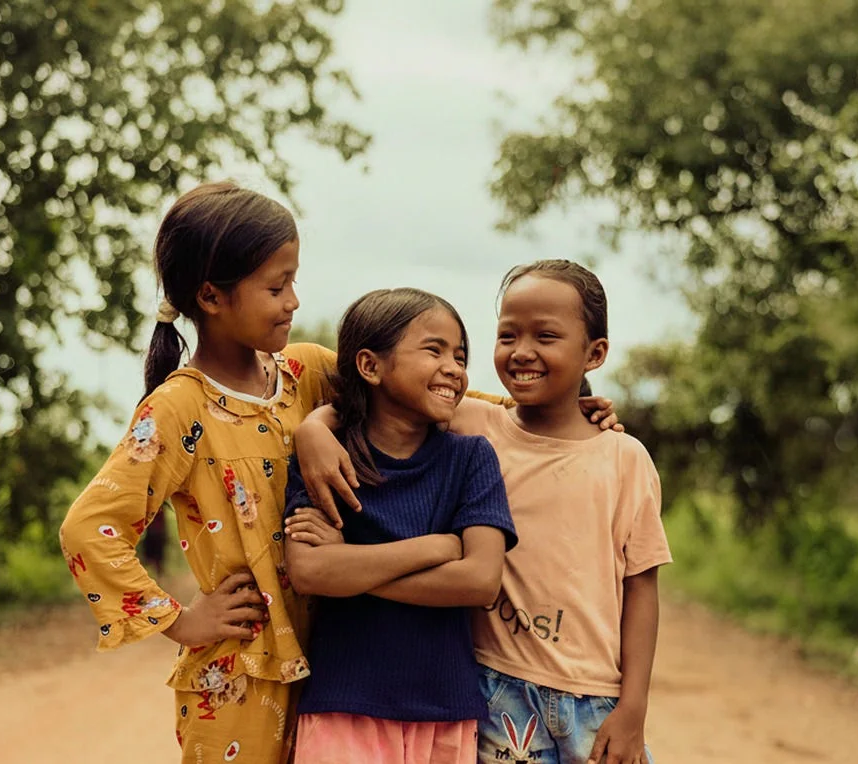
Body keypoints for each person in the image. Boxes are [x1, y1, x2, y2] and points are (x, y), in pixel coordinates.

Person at [295, 260, 670, 764]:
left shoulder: (625, 458)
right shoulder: (473, 423)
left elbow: (641, 586)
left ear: (595, 353)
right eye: (508, 335)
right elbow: (375, 394)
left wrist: (634, 706)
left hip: (594, 694)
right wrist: (314, 429)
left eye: (546, 336)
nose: (522, 352)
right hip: (496, 687)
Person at [59, 181, 346, 764]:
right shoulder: (177, 407)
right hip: (235, 679)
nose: (293, 300)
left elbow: (409, 393)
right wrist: (182, 621)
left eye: (293, 280)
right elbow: (89, 529)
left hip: (336, 662)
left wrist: (544, 410)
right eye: (276, 286)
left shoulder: (306, 373)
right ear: (211, 298)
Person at [281, 287, 517, 764]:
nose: (455, 367)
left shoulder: (471, 458)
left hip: (446, 712)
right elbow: (309, 573)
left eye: (460, 355)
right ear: (370, 366)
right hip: (343, 706)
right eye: (434, 349)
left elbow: (479, 579)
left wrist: (349, 570)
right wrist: (437, 546)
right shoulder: (326, 458)